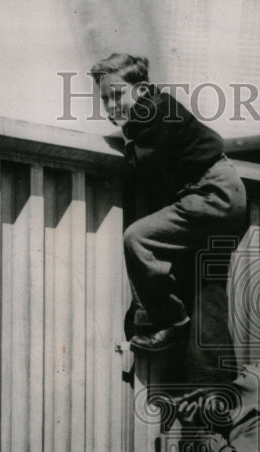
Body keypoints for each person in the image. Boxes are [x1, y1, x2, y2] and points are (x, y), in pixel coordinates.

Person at [90, 53, 247, 353]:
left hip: (212, 193)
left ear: (142, 88)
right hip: (223, 193)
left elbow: (140, 161)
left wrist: (124, 130)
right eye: (105, 98)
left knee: (137, 238)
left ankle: (172, 323)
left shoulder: (153, 111)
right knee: (206, 289)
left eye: (118, 94)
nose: (111, 105)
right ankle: (211, 381)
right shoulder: (158, 108)